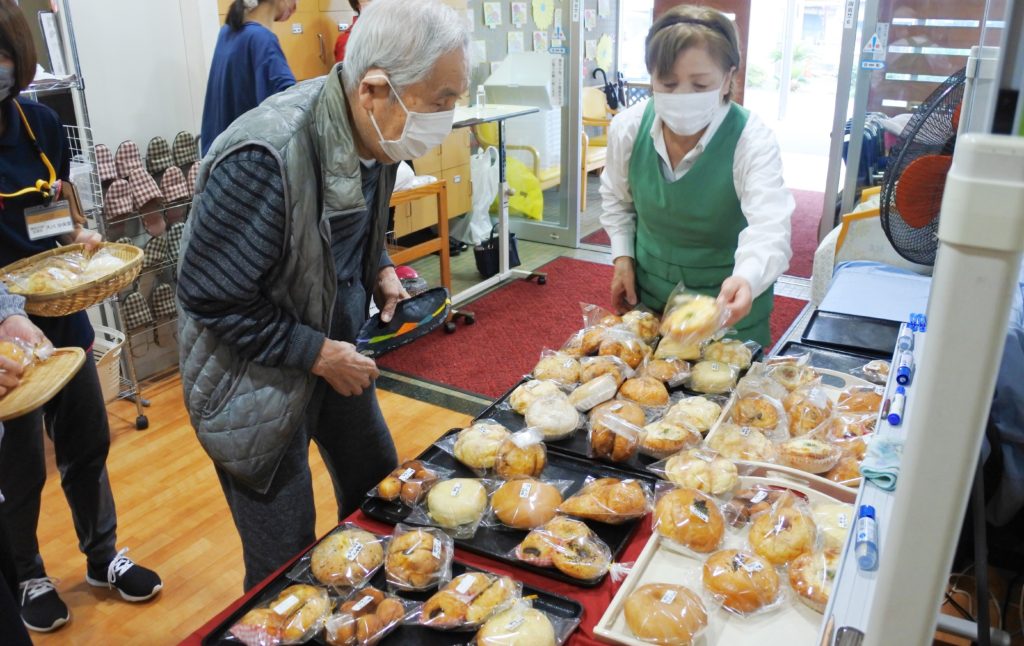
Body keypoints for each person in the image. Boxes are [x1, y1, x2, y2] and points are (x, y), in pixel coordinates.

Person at [177, 0, 470, 591]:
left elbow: (342, 223)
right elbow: (210, 296)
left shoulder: (377, 133)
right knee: (284, 566)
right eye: (441, 102)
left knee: (384, 493)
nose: (449, 117)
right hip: (252, 379)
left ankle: (374, 615)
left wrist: (379, 266)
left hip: (333, 350)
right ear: (374, 90)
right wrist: (315, 352)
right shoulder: (265, 156)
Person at [0, 1, 161, 633]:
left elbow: (58, 212)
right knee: (18, 470)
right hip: (6, 341)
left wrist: (78, 236)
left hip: (61, 318)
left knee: (87, 444)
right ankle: (27, 573)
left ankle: (101, 557)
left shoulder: (40, 123)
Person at [600, 5, 794, 347]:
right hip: (651, 301)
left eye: (700, 84)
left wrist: (747, 279)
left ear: (728, 78)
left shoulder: (751, 140)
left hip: (727, 310)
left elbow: (770, 227)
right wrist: (623, 258)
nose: (682, 97)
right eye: (667, 83)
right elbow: (617, 200)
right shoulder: (629, 128)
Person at [200, 0, 298, 156]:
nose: (296, 6)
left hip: (217, 160)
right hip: (245, 162)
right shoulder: (262, 39)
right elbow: (291, 111)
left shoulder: (226, 32)